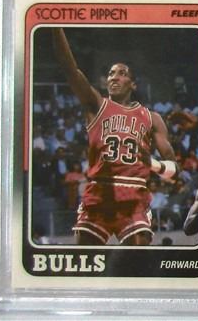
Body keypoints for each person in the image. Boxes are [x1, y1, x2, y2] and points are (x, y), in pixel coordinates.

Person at [51, 28, 178, 245]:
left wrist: (153, 164)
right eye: (111, 73)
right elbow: (70, 70)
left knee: (136, 259)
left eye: (122, 73)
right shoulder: (96, 105)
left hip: (133, 195)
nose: (114, 78)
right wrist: (55, 27)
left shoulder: (152, 118)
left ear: (133, 84)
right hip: (99, 192)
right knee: (84, 261)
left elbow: (174, 170)